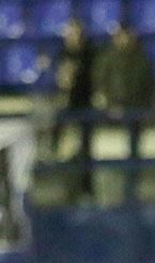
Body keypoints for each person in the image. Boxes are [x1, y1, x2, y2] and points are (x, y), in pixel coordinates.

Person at [94, 23, 155, 196]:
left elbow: (147, 88)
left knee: (134, 150)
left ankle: (133, 185)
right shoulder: (106, 59)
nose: (124, 39)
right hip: (111, 113)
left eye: (127, 35)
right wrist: (110, 106)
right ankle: (96, 189)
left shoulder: (142, 59)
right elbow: (101, 85)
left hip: (136, 112)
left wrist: (143, 110)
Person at [52, 19, 98, 198]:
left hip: (85, 106)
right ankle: (62, 187)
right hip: (66, 108)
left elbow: (93, 80)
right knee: (60, 147)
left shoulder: (90, 54)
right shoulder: (62, 54)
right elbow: (58, 82)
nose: (73, 38)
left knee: (86, 150)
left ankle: (86, 189)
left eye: (76, 33)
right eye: (70, 34)